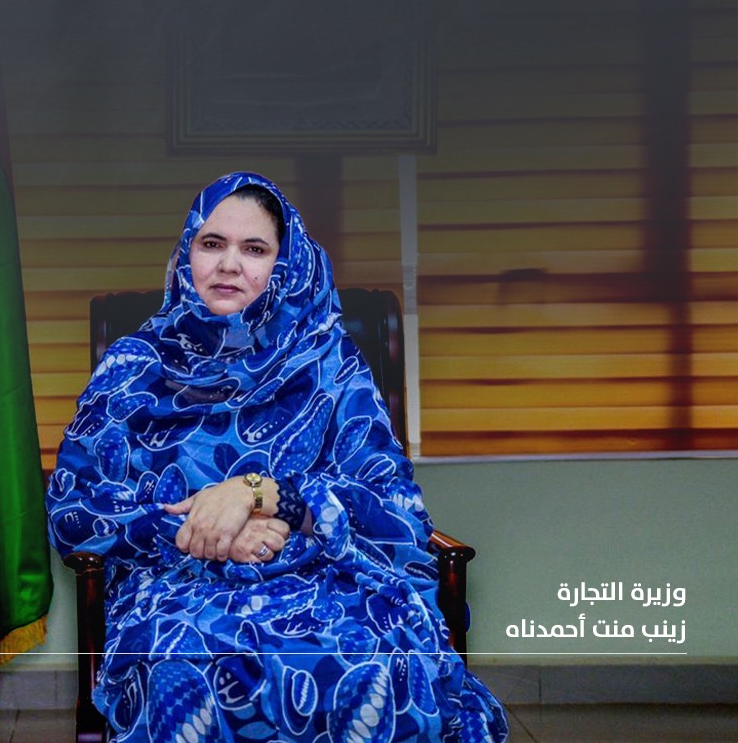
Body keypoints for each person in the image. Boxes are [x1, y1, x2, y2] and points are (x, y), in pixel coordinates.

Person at [47, 171, 509, 742]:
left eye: (255, 249)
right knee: (182, 668)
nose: (229, 264)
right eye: (212, 243)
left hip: (319, 573)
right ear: (187, 253)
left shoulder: (330, 363)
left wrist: (263, 495)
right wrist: (212, 532)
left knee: (373, 659)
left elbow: (392, 507)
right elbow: (75, 510)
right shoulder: (132, 366)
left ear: (284, 266)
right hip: (176, 583)